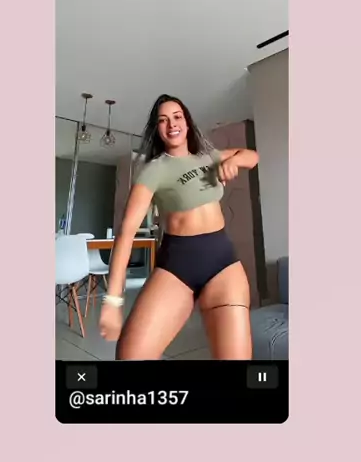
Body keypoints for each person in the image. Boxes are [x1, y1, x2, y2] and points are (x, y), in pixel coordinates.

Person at [99, 94, 259, 359]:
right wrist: (113, 301)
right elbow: (126, 232)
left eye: (177, 117)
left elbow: (252, 156)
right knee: (130, 356)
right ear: (157, 129)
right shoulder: (154, 170)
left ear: (187, 122)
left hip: (223, 264)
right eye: (163, 120)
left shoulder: (207, 157)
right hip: (177, 266)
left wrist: (233, 161)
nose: (171, 124)